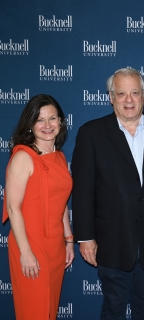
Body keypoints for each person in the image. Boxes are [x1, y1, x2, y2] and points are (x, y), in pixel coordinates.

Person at [72, 67, 144, 319]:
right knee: (113, 308)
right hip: (110, 241)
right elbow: (83, 189)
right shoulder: (91, 133)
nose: (129, 100)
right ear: (111, 97)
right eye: (122, 93)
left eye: (135, 93)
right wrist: (85, 237)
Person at [2, 94, 74, 319]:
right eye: (40, 120)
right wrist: (25, 252)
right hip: (30, 244)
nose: (47, 125)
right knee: (34, 310)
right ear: (30, 124)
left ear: (61, 122)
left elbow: (60, 202)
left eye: (52, 118)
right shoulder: (23, 157)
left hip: (55, 245)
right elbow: (13, 207)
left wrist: (68, 240)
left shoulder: (59, 157)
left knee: (49, 310)